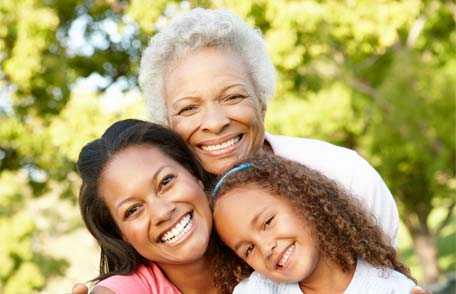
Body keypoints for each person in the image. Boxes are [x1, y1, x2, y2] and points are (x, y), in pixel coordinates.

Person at [73, 7, 428, 294]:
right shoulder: (178, 220)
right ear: (168, 127)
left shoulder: (342, 175)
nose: (214, 122)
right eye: (188, 108)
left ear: (262, 101)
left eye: (233, 96)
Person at [211, 153, 416, 293]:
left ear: (301, 199)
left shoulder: (389, 287)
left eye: (268, 222)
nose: (266, 248)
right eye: (248, 249)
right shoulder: (256, 291)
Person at [77, 119, 222, 293]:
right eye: (133, 210)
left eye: (166, 181)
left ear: (194, 174)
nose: (161, 213)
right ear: (120, 233)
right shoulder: (126, 289)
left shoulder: (256, 238)